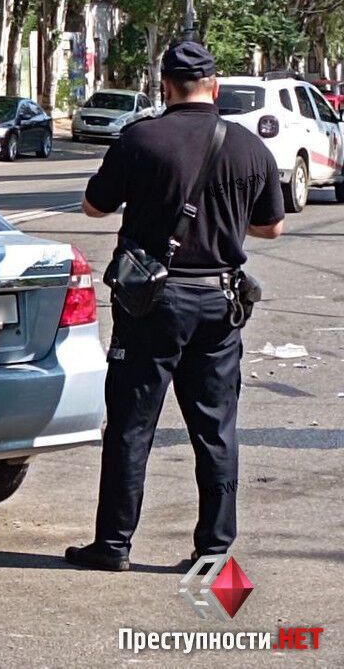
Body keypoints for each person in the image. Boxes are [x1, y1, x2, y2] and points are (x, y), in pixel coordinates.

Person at [65, 41, 285, 572]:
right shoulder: (249, 146)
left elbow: (95, 206)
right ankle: (213, 548)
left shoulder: (140, 138)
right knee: (215, 428)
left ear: (165, 85)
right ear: (215, 85)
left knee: (131, 425)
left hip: (151, 305)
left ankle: (113, 544)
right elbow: (271, 226)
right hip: (220, 301)